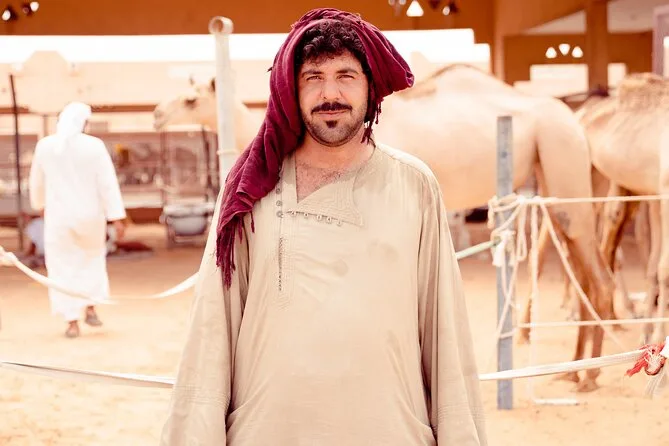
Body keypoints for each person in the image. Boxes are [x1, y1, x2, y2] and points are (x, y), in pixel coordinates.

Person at [160, 8, 487, 446]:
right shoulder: (249, 190)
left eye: (345, 76)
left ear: (370, 87)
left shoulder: (413, 185)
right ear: (290, 90)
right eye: (312, 77)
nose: (329, 93)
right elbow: (210, 330)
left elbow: (444, 330)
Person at [28, 101, 127, 338]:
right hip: (90, 218)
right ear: (84, 123)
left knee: (61, 266)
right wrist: (116, 217)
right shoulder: (94, 146)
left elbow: (36, 182)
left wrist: (39, 206)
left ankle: (71, 321)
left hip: (58, 218)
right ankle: (91, 308)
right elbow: (107, 183)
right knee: (91, 260)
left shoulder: (46, 146)